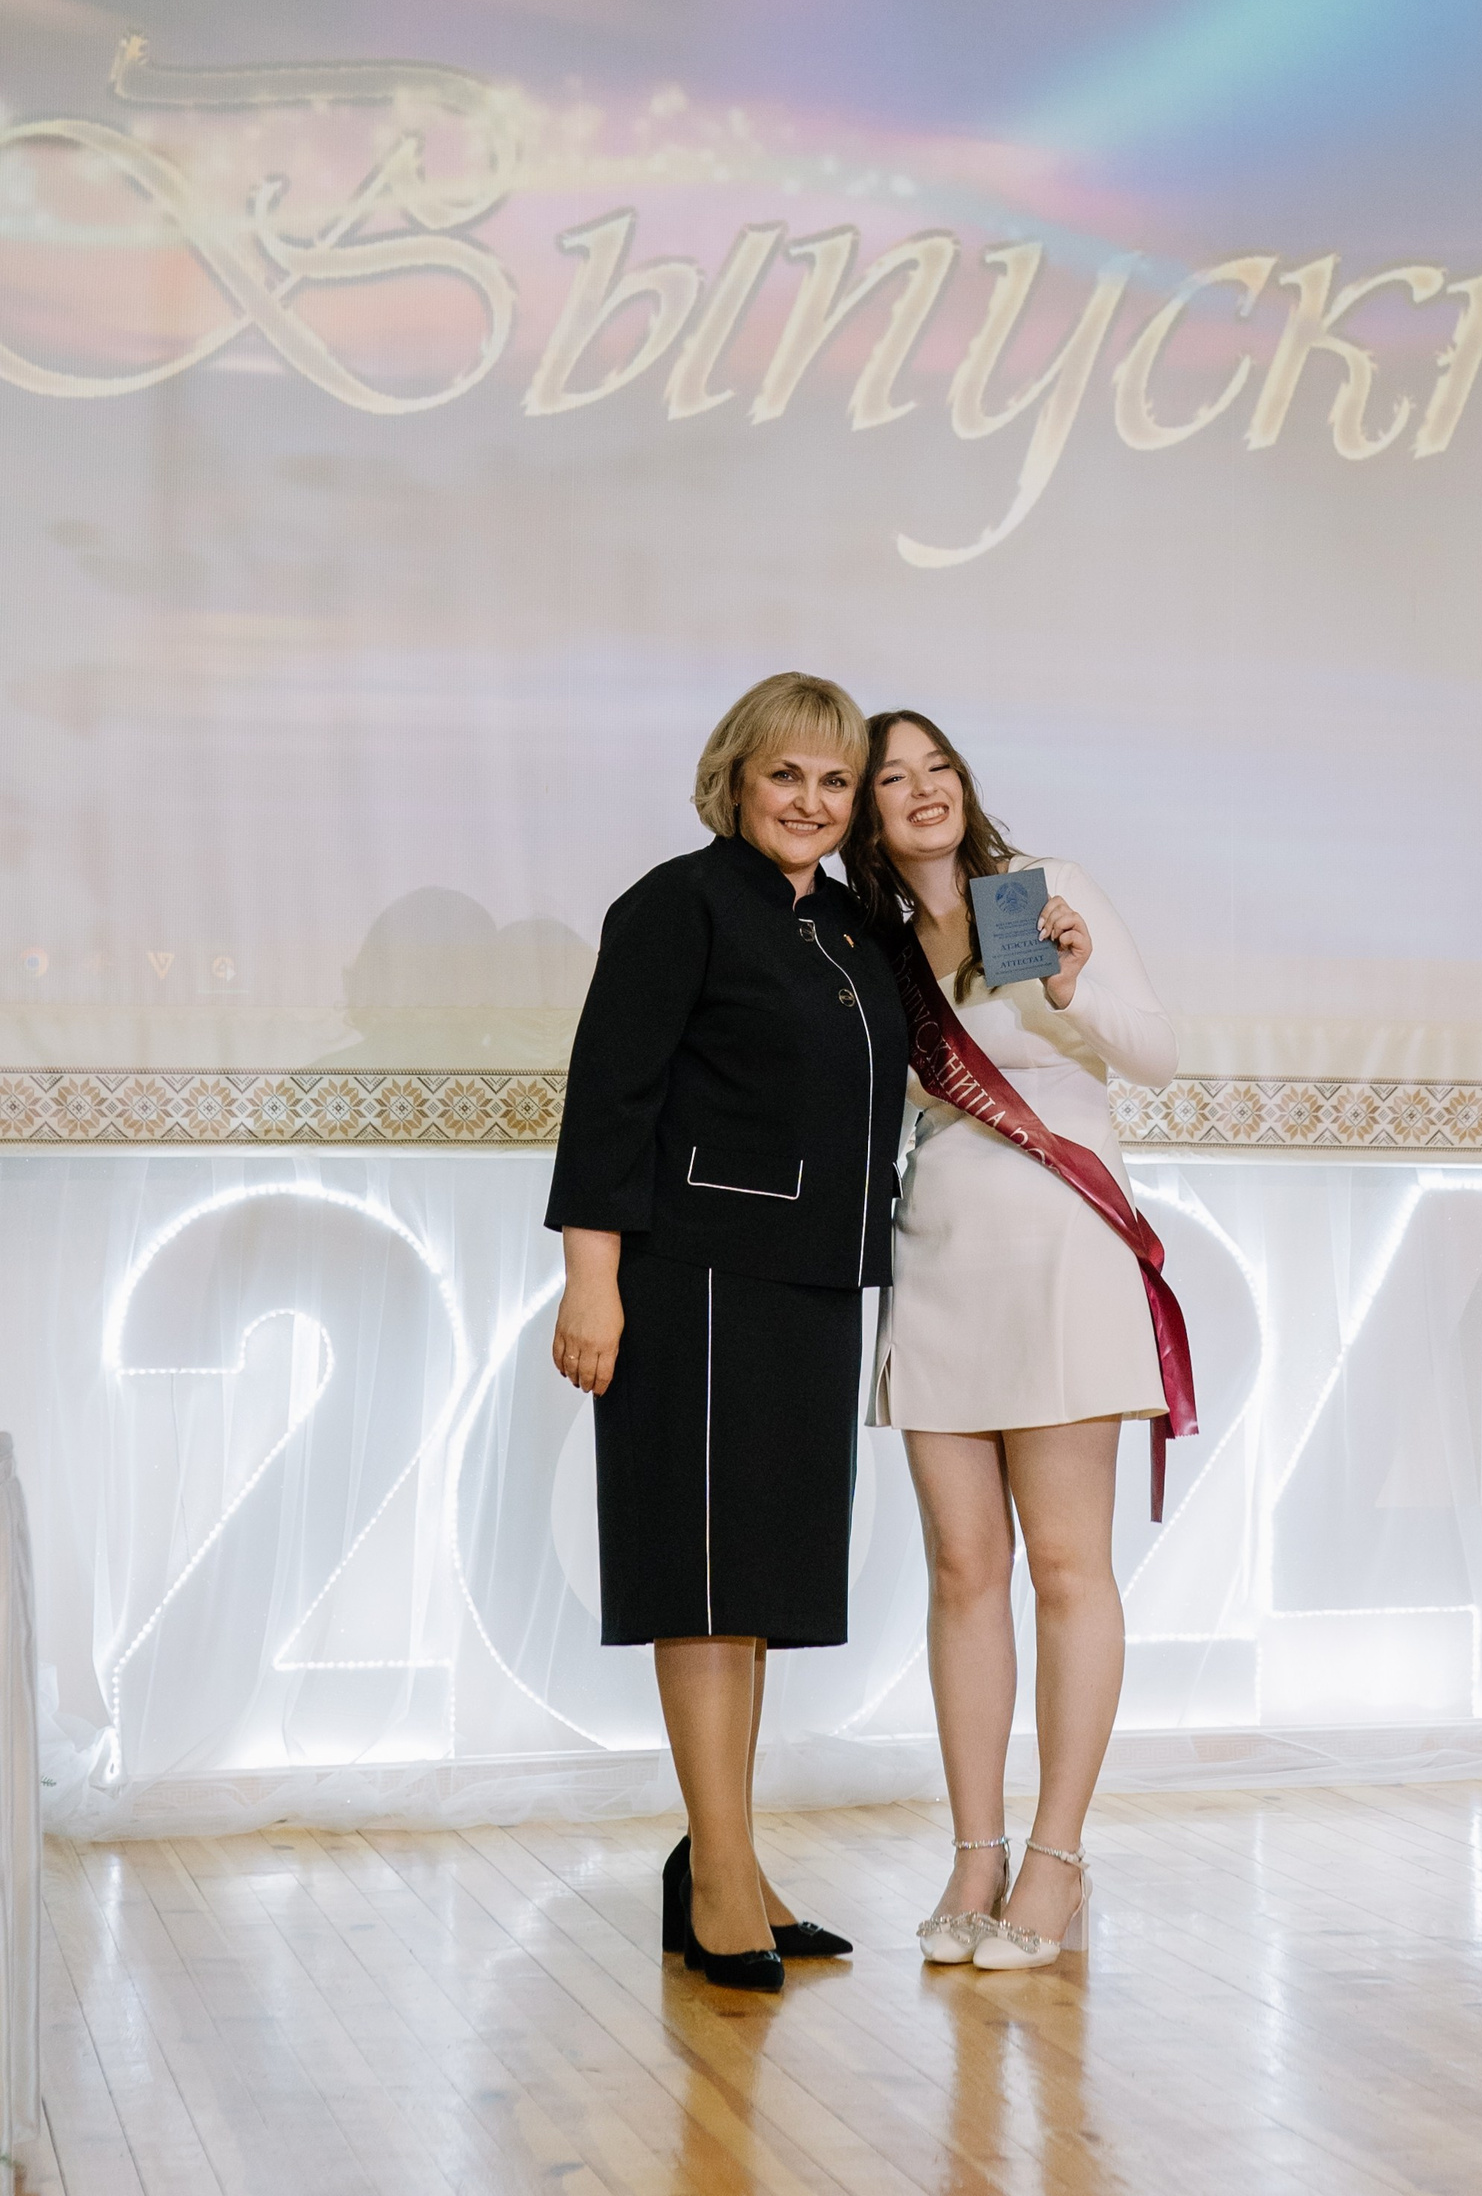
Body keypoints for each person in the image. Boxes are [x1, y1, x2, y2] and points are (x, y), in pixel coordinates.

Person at [547, 672, 909, 1993]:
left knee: (751, 1589)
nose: (810, 801)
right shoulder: (677, 905)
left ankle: (727, 1860)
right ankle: (716, 1884)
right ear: (736, 780)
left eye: (834, 780)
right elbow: (609, 1102)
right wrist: (593, 1281)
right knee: (702, 1586)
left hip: (811, 1285)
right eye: (786, 775)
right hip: (693, 1279)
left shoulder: (851, 929)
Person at [844, 711, 1183, 1972]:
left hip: (1061, 1248)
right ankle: (974, 1854)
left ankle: (1057, 1859)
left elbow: (1156, 1057)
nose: (922, 789)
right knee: (961, 1570)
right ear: (866, 811)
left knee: (1068, 1568)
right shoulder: (868, 943)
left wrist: (1070, 983)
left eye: (937, 766)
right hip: (939, 1254)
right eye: (892, 777)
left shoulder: (1040, 893)